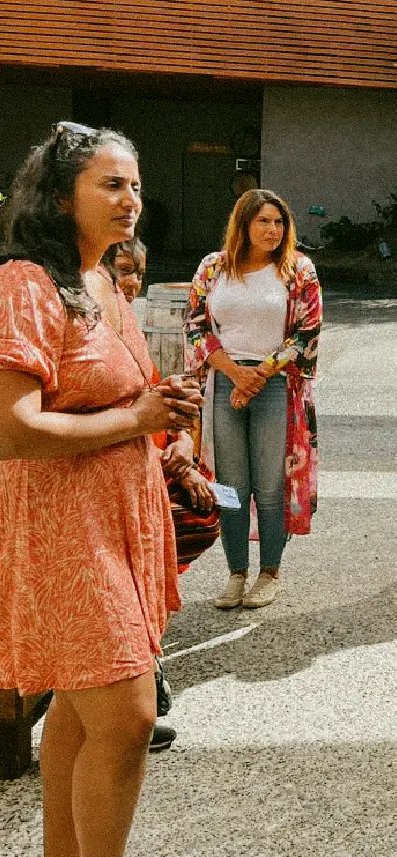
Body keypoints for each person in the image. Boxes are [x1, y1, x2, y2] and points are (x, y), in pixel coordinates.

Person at [0, 121, 202, 857]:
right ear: (61, 197)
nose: (131, 200)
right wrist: (136, 418)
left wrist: (166, 423)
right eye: (111, 185)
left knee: (82, 711)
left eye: (136, 186)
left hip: (120, 515)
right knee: (127, 718)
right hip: (65, 526)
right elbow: (12, 428)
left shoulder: (103, 282)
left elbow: (125, 396)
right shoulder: (24, 283)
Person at [185, 189, 322, 611]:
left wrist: (258, 375)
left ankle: (269, 573)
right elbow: (195, 325)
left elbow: (307, 332)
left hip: (275, 383)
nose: (272, 230)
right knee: (230, 486)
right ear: (243, 224)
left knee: (270, 484)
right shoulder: (213, 267)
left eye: (279, 222)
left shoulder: (297, 269)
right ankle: (236, 573)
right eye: (263, 221)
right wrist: (235, 373)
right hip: (226, 380)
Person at [104, 236, 215, 753]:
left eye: (137, 274)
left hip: (152, 465)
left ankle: (145, 662)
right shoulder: (87, 329)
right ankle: (137, 687)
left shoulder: (127, 327)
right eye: (122, 271)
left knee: (201, 515)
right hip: (110, 481)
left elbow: (161, 405)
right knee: (133, 572)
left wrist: (184, 448)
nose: (131, 284)